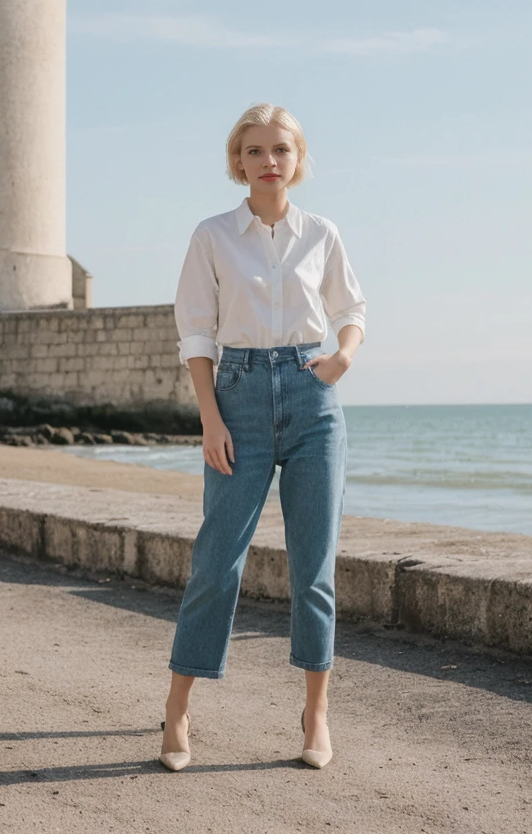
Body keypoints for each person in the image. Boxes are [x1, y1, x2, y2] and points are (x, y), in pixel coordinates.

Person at [159, 103, 366, 771]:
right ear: (237, 162)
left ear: (297, 159)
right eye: (255, 151)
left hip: (314, 399)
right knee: (216, 565)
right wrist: (209, 418)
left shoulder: (322, 234)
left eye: (281, 149)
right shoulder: (213, 236)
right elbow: (196, 332)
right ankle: (178, 711)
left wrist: (344, 357)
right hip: (239, 396)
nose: (269, 160)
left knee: (315, 572)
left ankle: (315, 714)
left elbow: (351, 310)